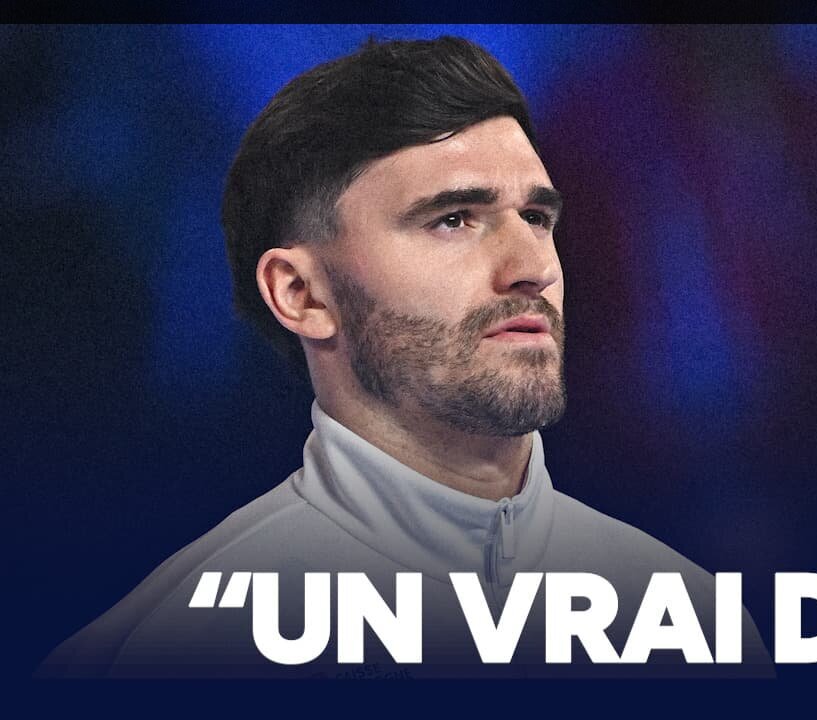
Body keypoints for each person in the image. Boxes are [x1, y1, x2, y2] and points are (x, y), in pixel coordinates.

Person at [40, 36, 770, 678]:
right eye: (453, 219)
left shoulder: (696, 631)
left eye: (536, 216)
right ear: (301, 293)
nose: (532, 267)